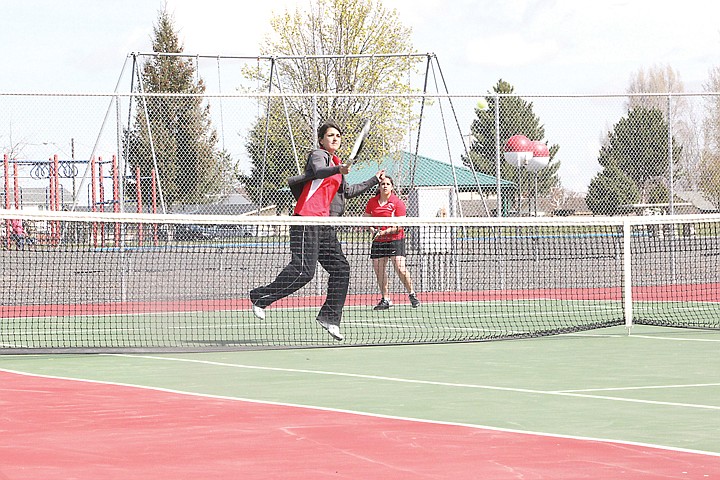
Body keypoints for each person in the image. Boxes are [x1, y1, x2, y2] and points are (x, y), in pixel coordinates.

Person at [250, 121, 385, 341]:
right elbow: (319, 171)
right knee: (304, 271)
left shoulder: (338, 165)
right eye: (330, 135)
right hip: (306, 220)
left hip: (325, 225)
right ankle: (261, 297)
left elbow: (348, 191)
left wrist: (373, 180)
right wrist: (338, 169)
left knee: (341, 269)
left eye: (338, 135)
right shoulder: (318, 155)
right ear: (322, 139)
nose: (335, 138)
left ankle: (330, 317)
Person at [365, 176, 420, 310]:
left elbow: (400, 225)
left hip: (395, 240)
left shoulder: (397, 203)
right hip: (378, 242)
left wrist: (384, 232)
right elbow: (366, 220)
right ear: (379, 186)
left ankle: (412, 294)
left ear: (392, 187)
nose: (385, 186)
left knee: (400, 268)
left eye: (388, 184)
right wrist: (373, 231)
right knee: (379, 271)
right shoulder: (372, 202)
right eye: (382, 184)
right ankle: (386, 299)